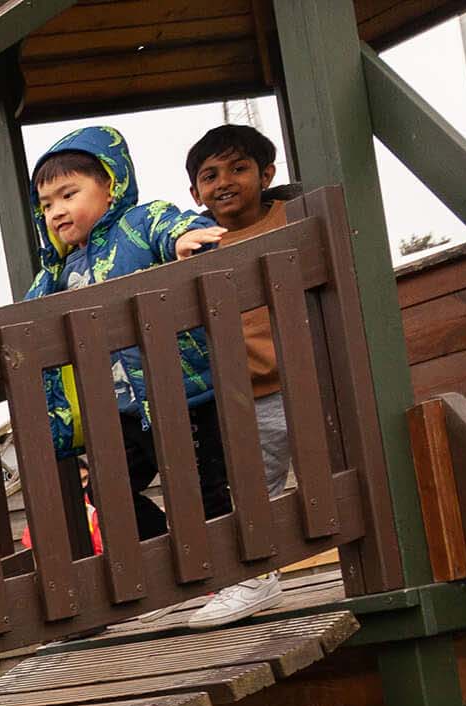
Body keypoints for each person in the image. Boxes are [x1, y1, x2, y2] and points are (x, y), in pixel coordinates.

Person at [23, 127, 231, 551]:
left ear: (110, 187)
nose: (57, 211)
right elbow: (23, 318)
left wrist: (183, 239)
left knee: (201, 486)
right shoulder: (55, 275)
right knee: (106, 490)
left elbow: (171, 225)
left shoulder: (137, 224)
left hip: (182, 391)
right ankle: (170, 552)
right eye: (46, 205)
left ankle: (246, 574)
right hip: (119, 408)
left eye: (69, 194)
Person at [185, 122, 305, 628]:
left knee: (354, 465)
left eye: (239, 168)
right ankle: (258, 576)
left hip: (315, 373)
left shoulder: (293, 216)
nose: (224, 182)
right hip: (248, 390)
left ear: (267, 173)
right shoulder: (197, 243)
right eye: (209, 175)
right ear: (195, 192)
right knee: (257, 486)